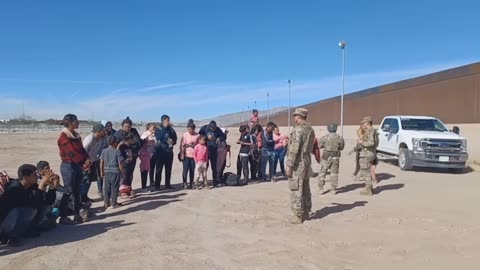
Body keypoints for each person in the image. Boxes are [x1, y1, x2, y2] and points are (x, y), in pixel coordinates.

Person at [0, 164, 56, 246]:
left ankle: (23, 231)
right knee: (29, 210)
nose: (37, 176)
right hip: (4, 222)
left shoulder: (31, 186)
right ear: (26, 177)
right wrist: (42, 185)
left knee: (45, 208)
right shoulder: (14, 189)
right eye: (34, 175)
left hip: (12, 221)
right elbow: (34, 205)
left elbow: (47, 202)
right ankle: (11, 236)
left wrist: (52, 187)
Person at [57, 114, 90, 223]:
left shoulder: (76, 135)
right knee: (67, 192)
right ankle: (63, 216)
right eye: (76, 121)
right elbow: (71, 153)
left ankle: (77, 214)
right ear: (70, 123)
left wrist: (87, 159)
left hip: (76, 165)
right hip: (68, 166)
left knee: (76, 192)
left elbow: (82, 149)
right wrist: (83, 163)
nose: (78, 123)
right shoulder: (64, 136)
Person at [286, 108, 315, 224]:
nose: (294, 118)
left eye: (295, 116)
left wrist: (289, 164)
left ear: (299, 116)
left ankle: (298, 215)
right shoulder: (310, 129)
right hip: (307, 160)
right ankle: (306, 211)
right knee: (306, 187)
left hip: (299, 162)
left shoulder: (298, 130)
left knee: (296, 188)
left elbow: (294, 149)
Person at [82, 123, 108, 202]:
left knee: (89, 180)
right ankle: (81, 197)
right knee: (84, 180)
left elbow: (103, 149)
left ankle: (84, 196)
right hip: (85, 162)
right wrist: (86, 162)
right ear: (98, 131)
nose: (105, 132)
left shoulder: (102, 139)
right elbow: (83, 151)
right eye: (103, 130)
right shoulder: (89, 139)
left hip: (94, 161)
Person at [317, 123, 345, 195]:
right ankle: (333, 189)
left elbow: (319, 145)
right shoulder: (339, 137)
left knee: (322, 172)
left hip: (326, 157)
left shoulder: (325, 137)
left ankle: (321, 189)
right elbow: (341, 148)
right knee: (334, 173)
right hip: (335, 157)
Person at [100, 136, 127, 208]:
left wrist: (101, 172)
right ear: (115, 143)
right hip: (115, 172)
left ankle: (106, 202)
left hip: (106, 172)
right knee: (114, 188)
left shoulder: (104, 151)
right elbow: (120, 163)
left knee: (106, 188)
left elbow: (101, 162)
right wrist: (123, 172)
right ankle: (114, 203)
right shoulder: (117, 152)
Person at [199, 121, 226, 187]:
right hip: (206, 150)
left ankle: (215, 182)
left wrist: (219, 138)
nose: (213, 130)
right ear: (209, 126)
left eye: (214, 128)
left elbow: (224, 136)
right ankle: (204, 182)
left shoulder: (218, 129)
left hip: (214, 150)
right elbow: (200, 135)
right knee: (205, 166)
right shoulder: (204, 128)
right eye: (212, 129)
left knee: (214, 167)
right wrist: (206, 137)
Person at [115, 117, 142, 184]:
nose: (127, 128)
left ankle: (129, 188)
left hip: (132, 157)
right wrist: (122, 144)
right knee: (123, 175)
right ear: (122, 126)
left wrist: (132, 145)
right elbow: (114, 146)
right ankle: (122, 190)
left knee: (130, 175)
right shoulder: (118, 134)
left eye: (129, 127)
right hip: (122, 158)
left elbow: (139, 143)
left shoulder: (134, 132)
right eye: (126, 126)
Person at [155, 115, 177, 190]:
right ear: (163, 121)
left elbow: (175, 139)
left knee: (168, 169)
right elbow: (158, 137)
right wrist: (164, 128)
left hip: (169, 152)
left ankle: (167, 184)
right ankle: (157, 185)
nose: (168, 122)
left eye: (169, 120)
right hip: (160, 152)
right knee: (159, 169)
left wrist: (172, 142)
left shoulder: (171, 129)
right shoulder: (158, 128)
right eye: (167, 120)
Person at [358, 116, 378, 196]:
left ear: (368, 123)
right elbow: (376, 143)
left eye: (364, 123)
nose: (363, 124)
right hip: (371, 153)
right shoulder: (373, 131)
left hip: (367, 154)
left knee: (366, 172)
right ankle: (369, 188)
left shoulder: (370, 131)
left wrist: (362, 143)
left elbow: (371, 143)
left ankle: (368, 189)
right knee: (367, 171)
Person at [179, 120, 199, 189]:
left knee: (192, 170)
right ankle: (184, 183)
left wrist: (195, 145)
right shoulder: (185, 135)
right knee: (185, 170)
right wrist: (182, 154)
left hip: (194, 156)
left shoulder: (197, 135)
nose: (189, 130)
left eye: (191, 129)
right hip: (186, 155)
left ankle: (191, 183)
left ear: (194, 129)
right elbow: (182, 145)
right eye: (188, 129)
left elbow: (199, 145)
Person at [118, 133, 136, 197]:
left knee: (129, 178)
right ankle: (122, 192)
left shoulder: (130, 146)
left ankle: (128, 190)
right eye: (132, 139)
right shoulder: (122, 146)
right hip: (124, 165)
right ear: (129, 139)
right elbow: (119, 155)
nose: (134, 140)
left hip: (130, 164)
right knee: (123, 178)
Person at [141, 123, 157, 188]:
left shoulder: (154, 135)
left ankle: (151, 182)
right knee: (145, 170)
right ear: (149, 127)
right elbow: (142, 139)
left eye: (155, 128)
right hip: (146, 155)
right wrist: (150, 134)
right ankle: (144, 185)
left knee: (152, 169)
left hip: (153, 153)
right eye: (153, 127)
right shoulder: (146, 133)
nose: (154, 129)